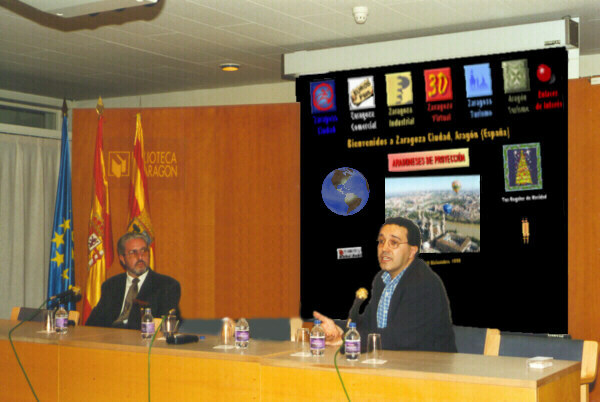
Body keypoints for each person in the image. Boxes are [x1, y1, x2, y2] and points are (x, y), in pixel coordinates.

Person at [314, 216, 456, 352]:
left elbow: (399, 338)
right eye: (381, 241)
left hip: (431, 370)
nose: (384, 248)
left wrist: (347, 338)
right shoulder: (382, 280)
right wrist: (338, 328)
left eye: (394, 243)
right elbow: (369, 323)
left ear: (412, 251)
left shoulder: (425, 284)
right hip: (393, 363)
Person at [86, 231, 181, 329]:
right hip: (110, 339)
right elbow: (93, 323)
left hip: (142, 341)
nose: (140, 257)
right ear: (122, 259)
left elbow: (162, 326)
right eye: (133, 252)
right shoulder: (111, 285)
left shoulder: (166, 286)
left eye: (143, 251)